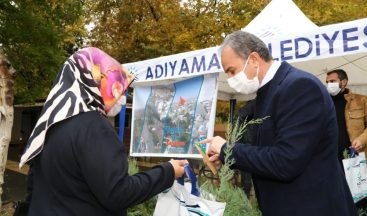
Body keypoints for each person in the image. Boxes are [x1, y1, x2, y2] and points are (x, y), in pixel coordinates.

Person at [201, 31, 357, 216]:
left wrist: (229, 150)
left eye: (232, 71)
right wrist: (226, 156)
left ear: (253, 59)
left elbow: (286, 161)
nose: (231, 79)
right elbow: (265, 148)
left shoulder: (300, 87)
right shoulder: (267, 92)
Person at [19, 47, 187, 216]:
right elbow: (118, 193)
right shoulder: (93, 126)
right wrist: (168, 171)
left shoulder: (47, 126)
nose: (120, 98)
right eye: (116, 88)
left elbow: (34, 187)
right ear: (96, 82)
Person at [326, 69, 367, 163]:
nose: (329, 84)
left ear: (344, 82)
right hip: (330, 156)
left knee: (355, 178)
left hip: (354, 154)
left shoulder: (361, 100)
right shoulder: (324, 102)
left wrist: (362, 140)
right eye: (327, 82)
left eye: (332, 81)